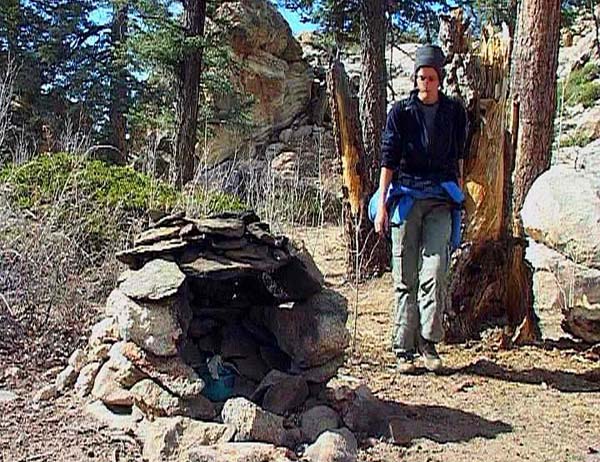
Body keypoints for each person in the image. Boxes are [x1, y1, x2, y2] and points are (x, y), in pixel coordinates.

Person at [371, 44, 467, 373]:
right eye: (420, 77)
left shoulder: (454, 112)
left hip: (441, 198)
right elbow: (388, 160)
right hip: (407, 199)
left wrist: (460, 196)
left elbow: (459, 156)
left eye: (430, 77)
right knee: (404, 275)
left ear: (439, 79)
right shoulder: (401, 112)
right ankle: (403, 348)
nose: (424, 83)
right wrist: (382, 205)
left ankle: (428, 342)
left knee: (437, 269)